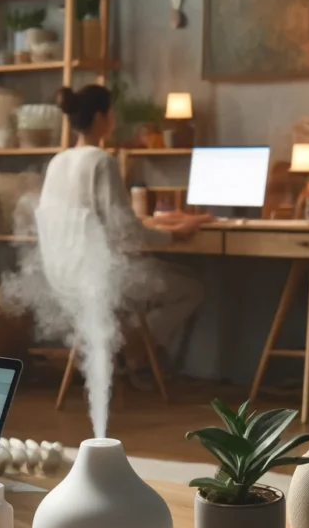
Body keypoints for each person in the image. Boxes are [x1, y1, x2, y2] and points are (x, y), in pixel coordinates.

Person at [38, 84, 211, 358]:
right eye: (111, 113)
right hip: (102, 280)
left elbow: (100, 224)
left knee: (167, 280)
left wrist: (163, 224)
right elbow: (127, 235)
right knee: (192, 288)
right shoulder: (101, 161)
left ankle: (131, 348)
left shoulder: (57, 162)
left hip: (63, 278)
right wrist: (177, 232)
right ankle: (138, 351)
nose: (114, 119)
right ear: (100, 118)